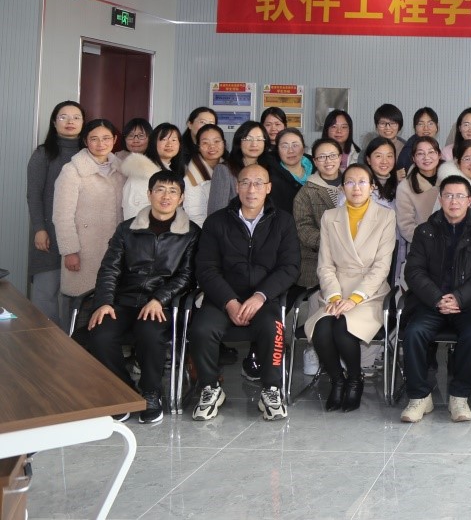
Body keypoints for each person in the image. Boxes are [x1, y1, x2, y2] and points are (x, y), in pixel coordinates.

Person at [188, 162, 300, 422]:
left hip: (263, 299)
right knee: (201, 329)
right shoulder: (217, 222)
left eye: (258, 183)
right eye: (245, 183)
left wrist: (260, 296)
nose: (252, 189)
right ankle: (210, 387)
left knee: (274, 328)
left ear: (268, 188)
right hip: (222, 298)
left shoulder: (283, 221)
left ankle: (271, 389)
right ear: (237, 187)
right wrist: (229, 301)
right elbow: (206, 268)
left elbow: (290, 267)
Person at [85, 169, 198, 424]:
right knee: (100, 333)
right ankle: (123, 392)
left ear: (181, 198)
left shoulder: (191, 233)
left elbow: (187, 275)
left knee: (149, 333)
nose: (166, 197)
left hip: (161, 304)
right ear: (149, 194)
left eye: (173, 191)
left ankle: (150, 393)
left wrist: (159, 298)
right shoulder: (127, 229)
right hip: (123, 301)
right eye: (160, 190)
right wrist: (104, 302)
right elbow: (110, 268)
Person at [399, 175, 471, 423]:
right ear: (441, 199)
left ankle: (459, 396)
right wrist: (437, 298)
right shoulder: (425, 231)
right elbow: (414, 271)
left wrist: (459, 298)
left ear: (469, 200)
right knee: (413, 333)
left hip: (468, 305)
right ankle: (420, 396)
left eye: (460, 196)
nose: (454, 201)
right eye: (448, 196)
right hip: (430, 303)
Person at [304, 163, 396, 412]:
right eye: (350, 182)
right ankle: (337, 380)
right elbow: (325, 264)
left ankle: (355, 379)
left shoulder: (386, 216)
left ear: (372, 187)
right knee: (322, 329)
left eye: (362, 182)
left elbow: (382, 266)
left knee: (343, 328)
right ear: (342, 188)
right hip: (336, 290)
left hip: (370, 293)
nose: (356, 188)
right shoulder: (329, 217)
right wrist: (335, 296)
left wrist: (354, 299)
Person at [53, 118, 125, 309]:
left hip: (114, 250)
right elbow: (62, 216)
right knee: (80, 307)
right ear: (85, 141)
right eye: (94, 138)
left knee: (109, 306)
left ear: (114, 139)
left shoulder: (121, 170)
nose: (101, 144)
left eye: (106, 138)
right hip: (84, 250)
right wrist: (69, 251)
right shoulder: (71, 171)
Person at [26, 99, 84, 325]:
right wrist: (39, 229)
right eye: (63, 117)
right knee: (45, 296)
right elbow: (34, 195)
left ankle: (69, 343)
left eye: (76, 117)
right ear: (54, 121)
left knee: (74, 298)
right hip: (48, 235)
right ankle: (43, 343)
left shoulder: (88, 153)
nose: (70, 122)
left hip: (79, 236)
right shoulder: (43, 153)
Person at [293, 137, 343, 291]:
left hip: (352, 264)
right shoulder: (306, 192)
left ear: (340, 157)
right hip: (317, 263)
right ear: (314, 161)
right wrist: (334, 243)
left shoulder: (352, 184)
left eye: (332, 155)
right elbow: (303, 229)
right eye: (322, 157)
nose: (328, 161)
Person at [122, 122, 185, 219]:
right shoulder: (142, 172)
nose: (169, 144)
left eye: (174, 140)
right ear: (153, 143)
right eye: (163, 139)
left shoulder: (173, 170)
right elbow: (134, 214)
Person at [207, 121, 268, 214]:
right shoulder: (223, 170)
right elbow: (216, 211)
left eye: (259, 139)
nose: (254, 144)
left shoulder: (267, 169)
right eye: (248, 139)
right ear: (239, 142)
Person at [395, 136, 443, 249]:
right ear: (413, 158)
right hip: (422, 248)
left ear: (439, 155)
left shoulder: (451, 180)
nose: (426, 157)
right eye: (420, 153)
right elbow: (406, 227)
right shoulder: (405, 188)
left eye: (431, 152)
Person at [183, 123, 225, 227]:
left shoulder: (229, 169)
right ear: (198, 146)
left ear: (224, 143)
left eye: (216, 141)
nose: (212, 146)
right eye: (205, 143)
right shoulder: (191, 177)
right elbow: (195, 217)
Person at [266, 127, 312, 215]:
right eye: (284, 146)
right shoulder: (271, 179)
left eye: (295, 145)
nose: (290, 151)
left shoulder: (318, 169)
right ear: (278, 151)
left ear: (303, 148)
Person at [395, 107, 441, 172]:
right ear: (415, 128)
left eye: (430, 123)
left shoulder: (432, 144)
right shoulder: (410, 150)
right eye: (421, 124)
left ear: (437, 127)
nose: (426, 128)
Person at [361, 136, 400, 206]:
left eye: (389, 156)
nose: (384, 161)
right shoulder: (360, 186)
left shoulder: (400, 185)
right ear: (368, 160)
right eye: (378, 156)